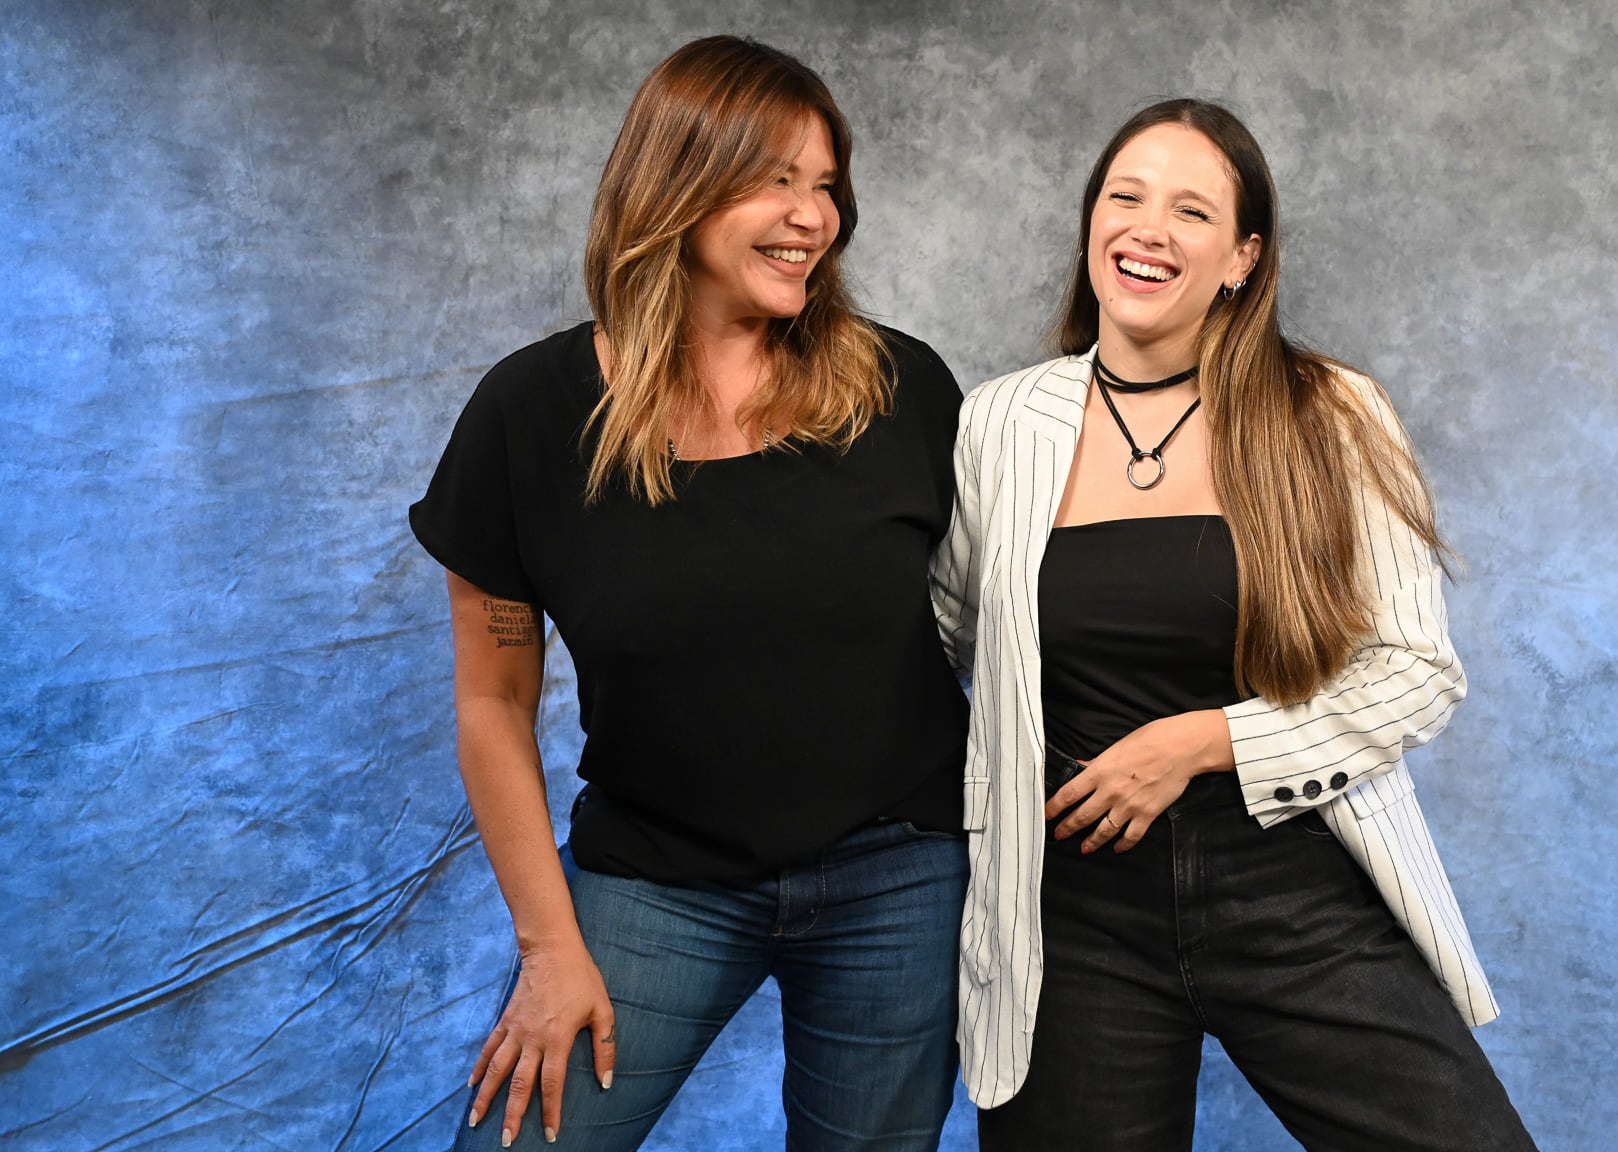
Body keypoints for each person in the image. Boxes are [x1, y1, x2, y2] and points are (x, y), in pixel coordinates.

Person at [932, 99, 1537, 1150]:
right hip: (1072, 912)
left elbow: (1414, 669)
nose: (1145, 229)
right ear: (1089, 224)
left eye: (1189, 211)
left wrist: (1203, 742)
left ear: (1240, 258)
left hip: (1289, 879)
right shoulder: (1000, 420)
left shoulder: (1330, 411)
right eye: (1123, 197)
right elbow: (943, 639)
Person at [409, 36, 969, 1152]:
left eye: (826, 186)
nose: (813, 216)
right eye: (776, 180)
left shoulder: (899, 388)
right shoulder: (528, 414)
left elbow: (999, 629)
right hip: (656, 877)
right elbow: (491, 702)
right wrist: (548, 946)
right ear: (676, 184)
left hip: (896, 875)